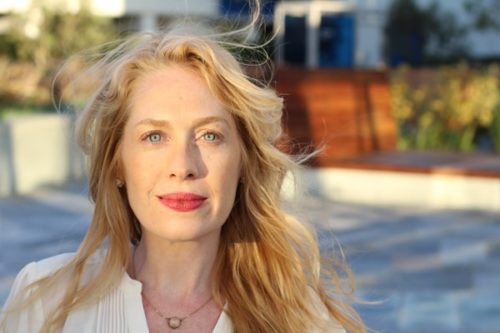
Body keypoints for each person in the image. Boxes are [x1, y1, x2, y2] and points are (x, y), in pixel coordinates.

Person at [0, 3, 365, 333]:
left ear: (243, 162)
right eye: (154, 137)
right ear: (117, 164)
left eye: (209, 136)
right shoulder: (45, 302)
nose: (183, 167)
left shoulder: (302, 319)